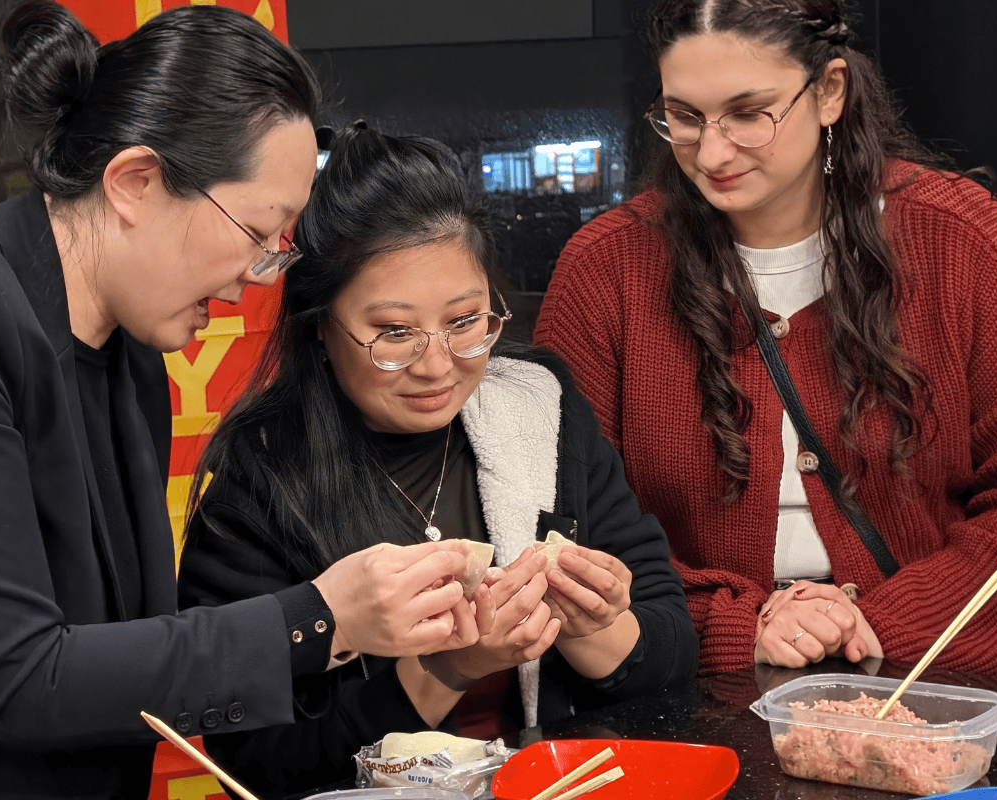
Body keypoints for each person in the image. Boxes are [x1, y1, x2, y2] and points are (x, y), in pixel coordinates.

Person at [0, 5, 477, 797]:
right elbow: (15, 678)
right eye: (259, 233)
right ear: (135, 182)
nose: (260, 273)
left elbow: (130, 653)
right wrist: (322, 616)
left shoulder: (131, 355)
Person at [534, 0, 997, 679]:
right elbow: (565, 537)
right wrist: (735, 627)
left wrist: (873, 630)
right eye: (685, 117)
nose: (712, 151)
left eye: (749, 114)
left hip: (929, 684)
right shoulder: (606, 269)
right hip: (692, 691)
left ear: (830, 91)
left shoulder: (959, 238)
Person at [177, 125, 698, 795]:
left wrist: (590, 627)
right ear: (320, 326)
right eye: (393, 333)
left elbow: (671, 656)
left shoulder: (539, 410)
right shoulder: (263, 478)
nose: (436, 366)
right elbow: (258, 765)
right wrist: (446, 667)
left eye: (465, 322)